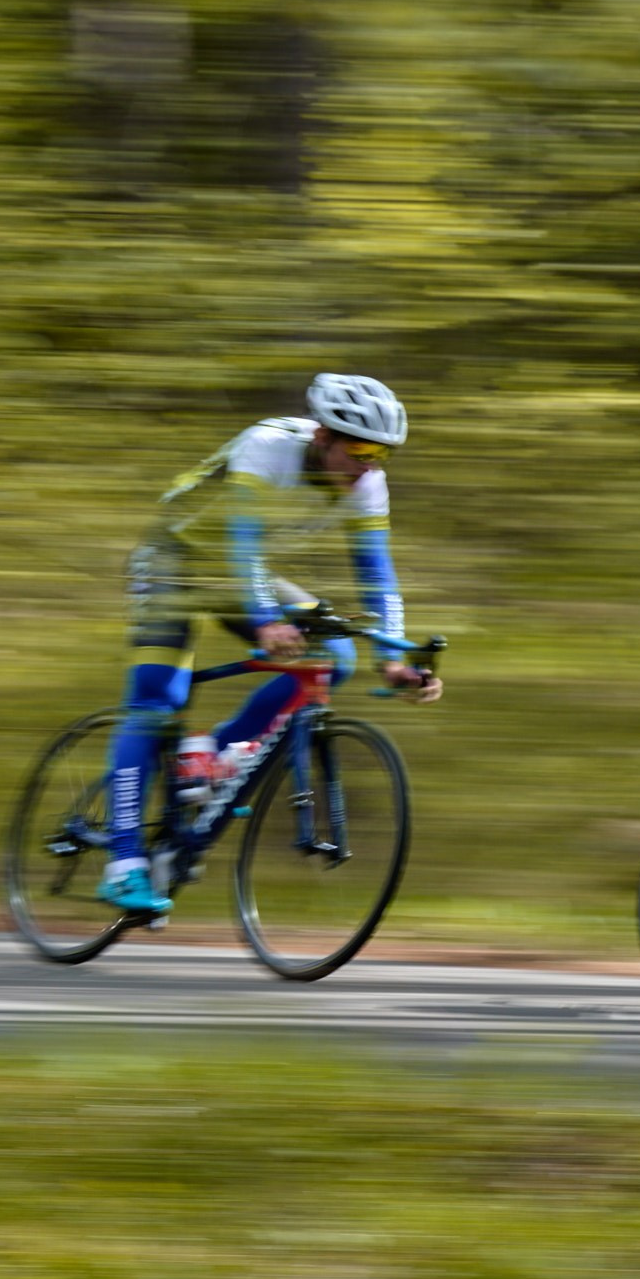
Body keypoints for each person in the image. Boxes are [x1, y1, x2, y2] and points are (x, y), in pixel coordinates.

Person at [98, 373, 441, 916]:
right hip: (172, 562)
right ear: (322, 437)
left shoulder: (367, 484)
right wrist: (264, 621)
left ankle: (212, 754)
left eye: (381, 454)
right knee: (156, 702)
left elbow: (376, 573)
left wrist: (394, 660)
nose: (368, 465)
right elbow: (243, 540)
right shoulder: (267, 447)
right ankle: (122, 864)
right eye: (359, 450)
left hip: (239, 573)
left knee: (335, 657)